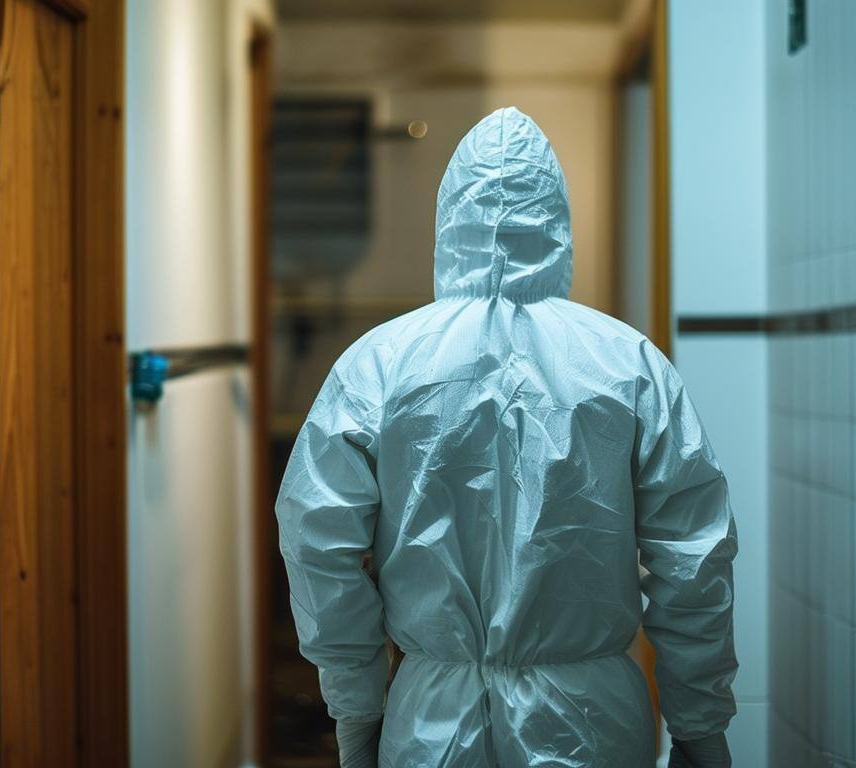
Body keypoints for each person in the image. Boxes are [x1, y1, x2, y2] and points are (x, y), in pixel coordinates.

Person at [276, 107, 738, 767]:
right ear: (556, 223)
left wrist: (357, 706)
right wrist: (700, 725)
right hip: (594, 721)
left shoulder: (377, 364)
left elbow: (316, 543)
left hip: (432, 721)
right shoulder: (628, 362)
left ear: (448, 224)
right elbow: (694, 558)